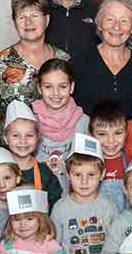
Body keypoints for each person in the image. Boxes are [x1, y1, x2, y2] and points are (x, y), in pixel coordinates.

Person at [0, 0, 70, 141]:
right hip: (11, 154)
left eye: (34, 16)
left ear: (47, 20)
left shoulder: (64, 60)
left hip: (58, 151)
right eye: (22, 17)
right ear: (14, 22)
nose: (28, 22)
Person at [51, 134, 119, 254]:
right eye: (77, 175)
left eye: (91, 175)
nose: (84, 181)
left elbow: (117, 245)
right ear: (68, 174)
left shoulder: (109, 207)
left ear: (102, 175)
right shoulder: (60, 208)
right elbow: (54, 248)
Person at [72, 0, 132, 118]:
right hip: (87, 135)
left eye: (124, 21)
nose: (116, 27)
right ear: (99, 24)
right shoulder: (78, 63)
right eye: (110, 19)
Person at [32, 58, 90, 188]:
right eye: (48, 87)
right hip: (39, 197)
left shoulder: (84, 122)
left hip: (74, 197)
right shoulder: (30, 121)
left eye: (62, 86)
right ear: (39, 88)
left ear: (72, 87)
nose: (56, 93)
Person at [1, 100, 62, 207]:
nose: (23, 141)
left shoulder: (45, 173)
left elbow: (58, 206)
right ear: (6, 138)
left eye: (29, 135)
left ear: (38, 138)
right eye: (16, 135)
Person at [89, 101, 130, 210]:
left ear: (126, 132)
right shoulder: (86, 163)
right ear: (91, 134)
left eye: (118, 133)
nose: (111, 141)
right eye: (102, 134)